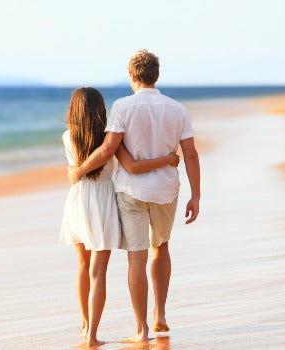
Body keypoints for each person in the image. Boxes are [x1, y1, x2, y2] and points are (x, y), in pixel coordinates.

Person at [68, 50, 201, 342]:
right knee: (161, 247)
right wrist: (196, 196)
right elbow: (190, 154)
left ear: (132, 76)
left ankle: (141, 330)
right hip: (166, 190)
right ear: (156, 75)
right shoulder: (177, 109)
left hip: (131, 191)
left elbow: (107, 150)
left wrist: (78, 171)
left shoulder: (123, 107)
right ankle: (160, 314)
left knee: (136, 258)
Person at [59, 87, 180, 347]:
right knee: (98, 271)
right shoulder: (109, 139)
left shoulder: (67, 136)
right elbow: (132, 167)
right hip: (102, 202)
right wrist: (168, 159)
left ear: (73, 110)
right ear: (100, 109)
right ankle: (92, 335)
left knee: (83, 265)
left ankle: (84, 324)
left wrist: (77, 171)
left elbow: (73, 170)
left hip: (77, 201)